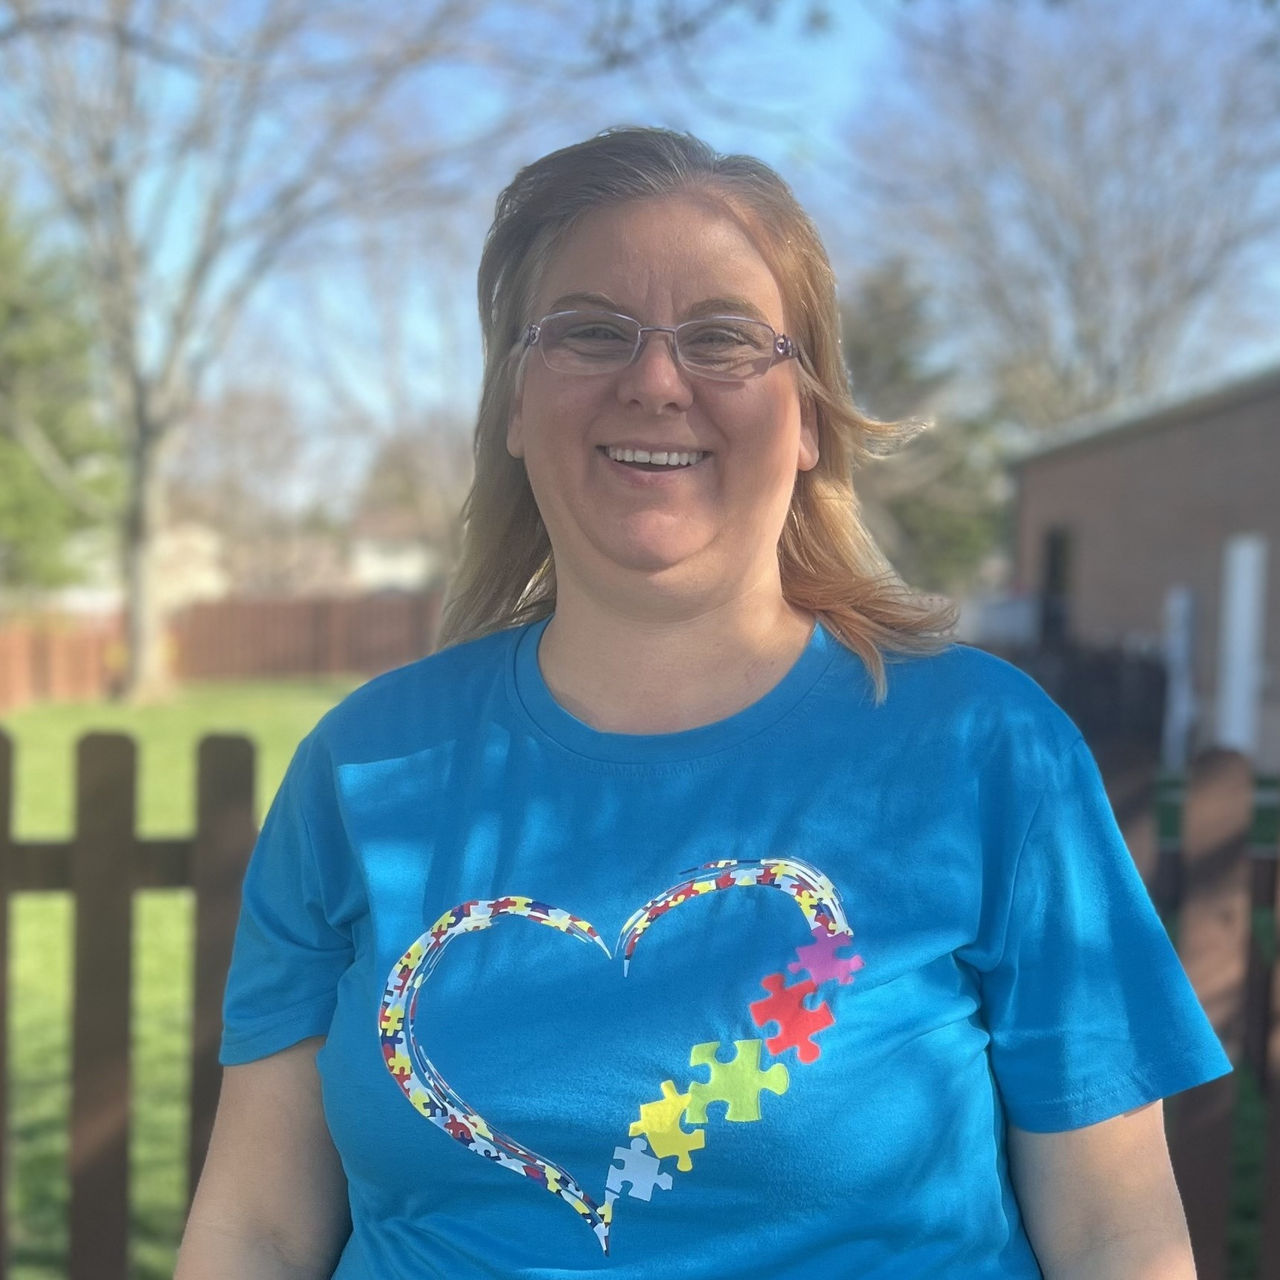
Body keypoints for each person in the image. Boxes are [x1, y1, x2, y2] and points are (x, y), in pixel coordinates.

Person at [175, 127, 1229, 1279]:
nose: (653, 380)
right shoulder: (361, 770)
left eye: (721, 337)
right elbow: (257, 1230)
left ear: (808, 416)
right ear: (515, 404)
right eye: (590, 330)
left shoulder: (984, 750)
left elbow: (1115, 1232)